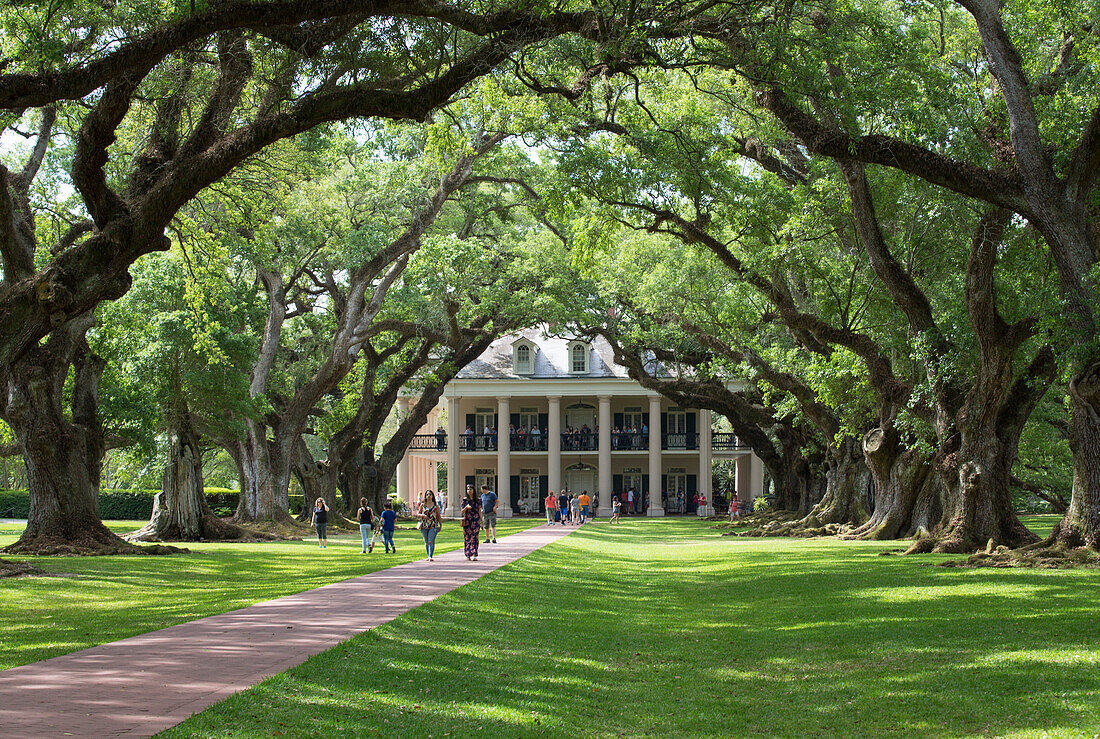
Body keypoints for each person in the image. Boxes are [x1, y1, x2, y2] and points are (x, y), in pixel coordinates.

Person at [417, 489, 442, 560]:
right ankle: (428, 555)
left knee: (431, 540)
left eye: (430, 494)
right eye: (427, 494)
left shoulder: (435, 506)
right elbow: (418, 514)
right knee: (426, 541)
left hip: (433, 525)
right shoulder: (423, 505)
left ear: (432, 496)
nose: (428, 496)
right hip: (424, 525)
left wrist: (440, 525)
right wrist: (423, 515)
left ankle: (430, 556)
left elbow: (438, 516)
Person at [461, 485, 481, 561]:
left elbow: (479, 511)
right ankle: (468, 554)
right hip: (467, 521)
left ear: (474, 490)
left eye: (471, 489)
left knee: (475, 537)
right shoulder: (465, 500)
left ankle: (475, 553)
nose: (469, 491)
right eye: (468, 489)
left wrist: (481, 521)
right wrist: (466, 508)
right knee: (467, 537)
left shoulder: (478, 500)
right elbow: (462, 511)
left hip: (476, 520)